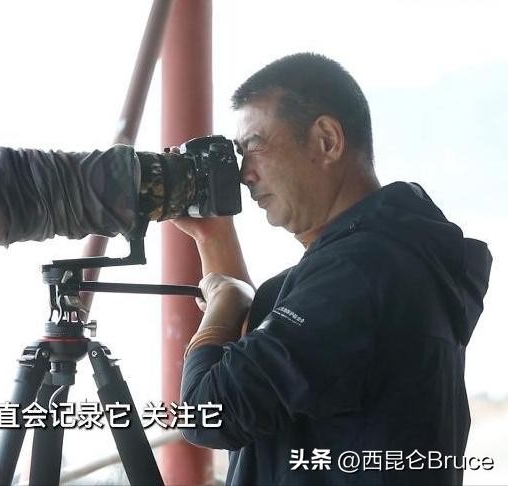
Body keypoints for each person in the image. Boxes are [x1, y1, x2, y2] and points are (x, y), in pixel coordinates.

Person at [171, 53, 492, 485]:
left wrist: (222, 306)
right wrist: (214, 237)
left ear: (326, 140)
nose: (245, 174)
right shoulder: (392, 254)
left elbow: (209, 413)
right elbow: (261, 366)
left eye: (254, 146)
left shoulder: (358, 272)